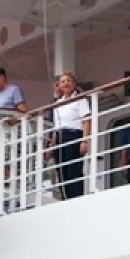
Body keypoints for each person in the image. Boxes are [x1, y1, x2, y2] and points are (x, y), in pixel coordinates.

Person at [47, 70, 92, 199]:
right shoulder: (57, 104)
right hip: (60, 138)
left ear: (74, 84)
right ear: (59, 85)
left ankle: (76, 198)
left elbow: (86, 121)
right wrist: (51, 145)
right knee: (62, 171)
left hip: (74, 135)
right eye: (62, 81)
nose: (65, 83)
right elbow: (56, 128)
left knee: (74, 170)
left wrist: (85, 140)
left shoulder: (80, 99)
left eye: (68, 81)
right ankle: (66, 197)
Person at [0, 66, 28, 185]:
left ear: (2, 78)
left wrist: (12, 119)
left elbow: (23, 110)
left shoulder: (14, 90)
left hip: (8, 131)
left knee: (5, 158)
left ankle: (7, 184)